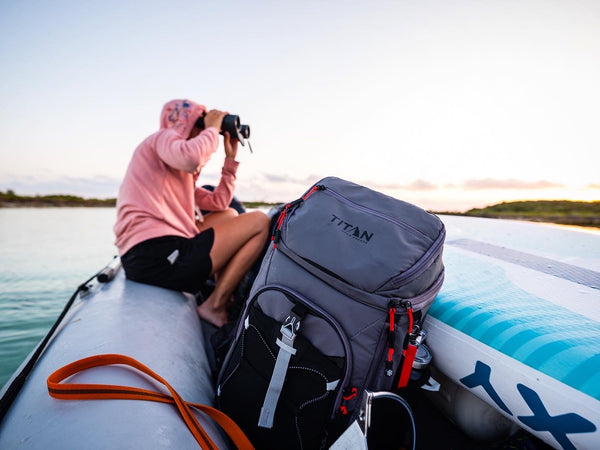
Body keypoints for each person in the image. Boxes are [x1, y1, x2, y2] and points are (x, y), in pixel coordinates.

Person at [114, 99, 270, 327]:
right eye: (199, 122)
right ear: (184, 122)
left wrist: (229, 161)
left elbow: (219, 202)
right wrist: (212, 128)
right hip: (156, 256)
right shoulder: (162, 138)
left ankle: (222, 291)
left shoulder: (171, 174)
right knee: (259, 220)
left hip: (153, 257)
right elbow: (191, 157)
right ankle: (215, 306)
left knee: (228, 214)